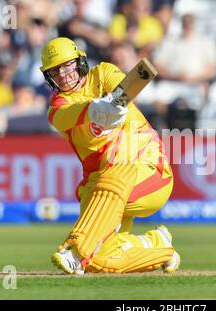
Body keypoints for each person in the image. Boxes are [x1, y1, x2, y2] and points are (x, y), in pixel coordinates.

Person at [39, 37, 179, 275]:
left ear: (79, 62)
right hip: (102, 184)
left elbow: (125, 88)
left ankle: (75, 251)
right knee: (100, 260)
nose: (63, 74)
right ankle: (157, 246)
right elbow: (69, 114)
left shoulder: (102, 73)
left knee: (117, 167)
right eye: (55, 70)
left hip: (149, 171)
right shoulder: (57, 108)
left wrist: (114, 105)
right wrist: (94, 110)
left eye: (67, 66)